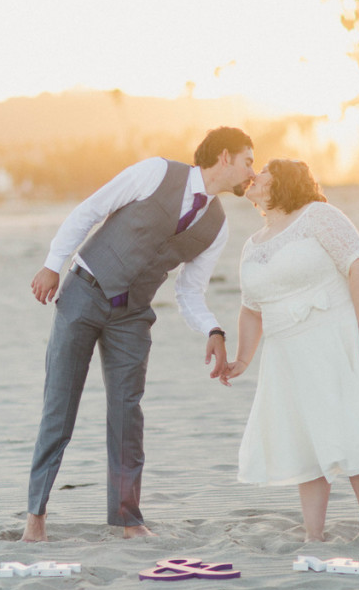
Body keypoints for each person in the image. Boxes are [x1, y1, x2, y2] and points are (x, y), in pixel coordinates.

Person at [23, 127, 255, 542]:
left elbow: (189, 290)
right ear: (225, 157)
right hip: (84, 293)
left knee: (128, 415)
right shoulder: (155, 172)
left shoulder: (218, 225)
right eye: (248, 161)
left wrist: (213, 329)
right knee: (59, 409)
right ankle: (35, 517)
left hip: (132, 316)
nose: (251, 171)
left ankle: (128, 520)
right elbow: (91, 210)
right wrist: (52, 264)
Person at [220, 159, 359, 544]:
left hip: (337, 338)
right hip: (287, 355)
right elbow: (251, 309)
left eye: (262, 171)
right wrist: (243, 359)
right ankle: (314, 535)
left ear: (283, 182)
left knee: (354, 430)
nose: (253, 176)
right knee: (306, 440)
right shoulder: (252, 244)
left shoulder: (318, 216)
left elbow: (357, 265)